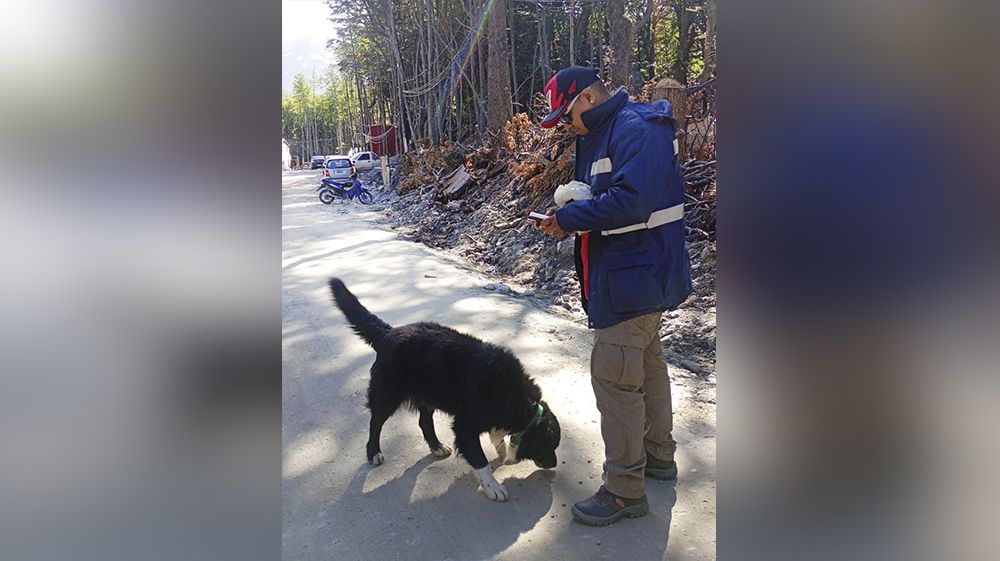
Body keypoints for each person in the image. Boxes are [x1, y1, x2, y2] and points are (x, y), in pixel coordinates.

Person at [535, 66, 692, 526]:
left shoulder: (634, 129)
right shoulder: (604, 132)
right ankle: (658, 458)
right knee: (645, 366)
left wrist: (569, 219)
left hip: (635, 279)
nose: (567, 124)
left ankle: (625, 489)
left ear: (587, 97)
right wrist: (568, 210)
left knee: (615, 381)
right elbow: (604, 196)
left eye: (568, 114)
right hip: (633, 276)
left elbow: (631, 201)